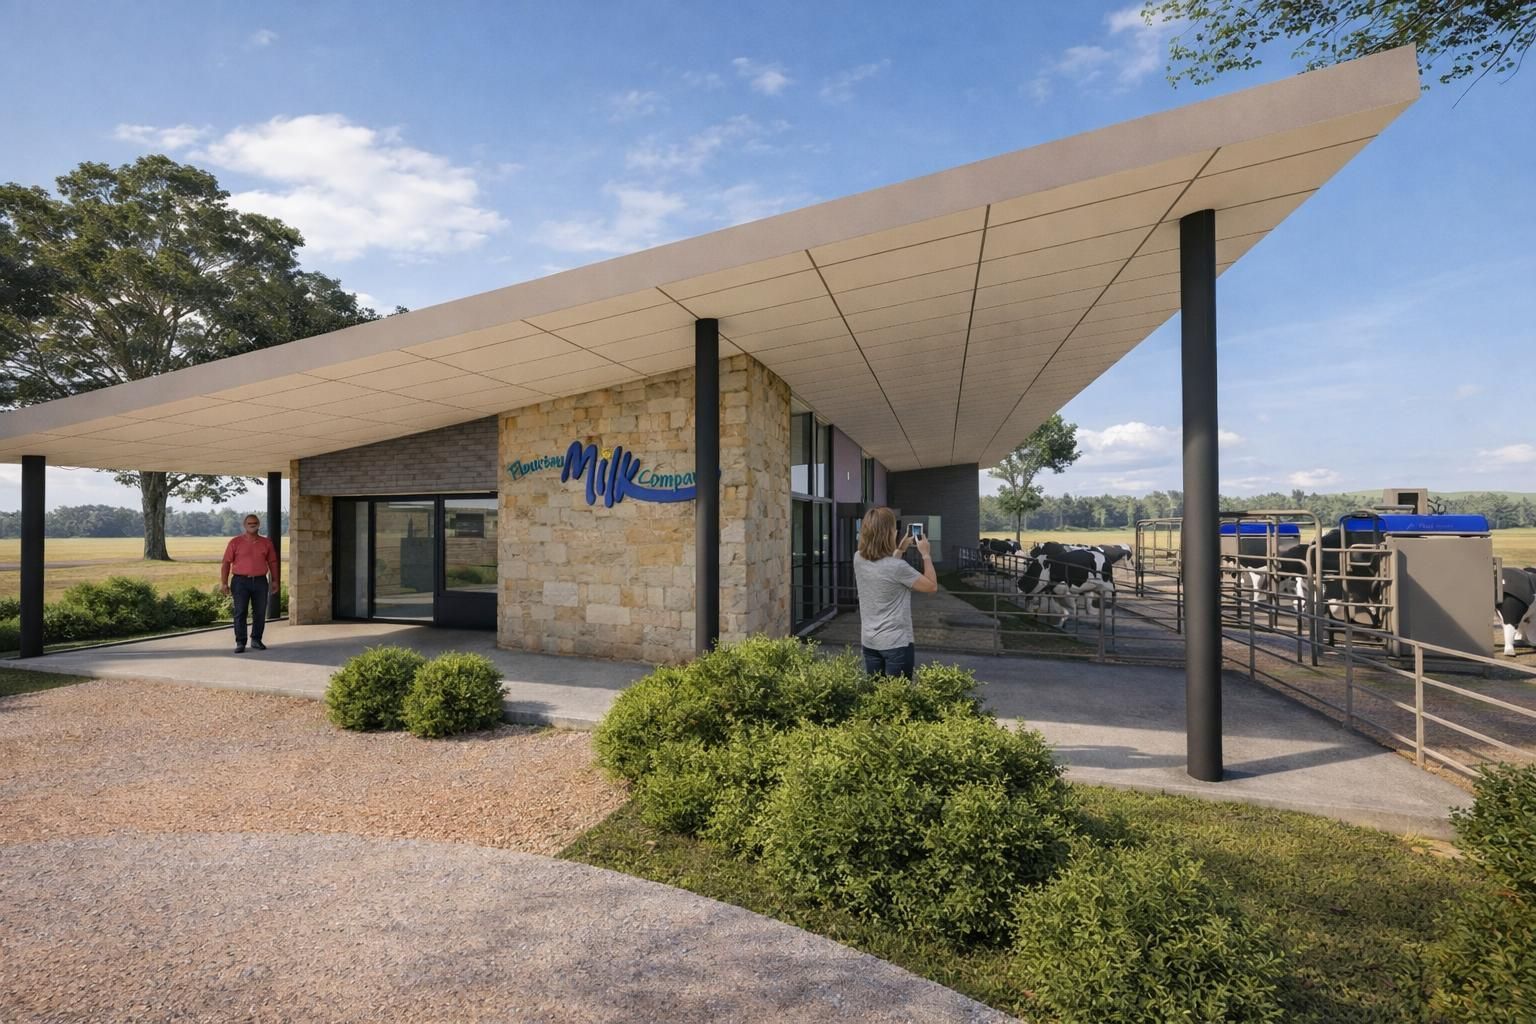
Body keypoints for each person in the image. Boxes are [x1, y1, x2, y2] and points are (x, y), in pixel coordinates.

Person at [851, 506, 937, 679]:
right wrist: (926, 554)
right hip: (896, 644)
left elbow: (884, 570)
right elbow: (931, 586)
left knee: (876, 697)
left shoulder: (858, 558)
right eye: (894, 528)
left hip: (870, 643)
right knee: (898, 700)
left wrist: (900, 550)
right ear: (889, 533)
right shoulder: (898, 568)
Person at [220, 514, 280, 654]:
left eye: (255, 522)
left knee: (259, 612)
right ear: (244, 525)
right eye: (249, 523)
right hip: (240, 582)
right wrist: (224, 582)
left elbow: (272, 562)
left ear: (259, 525)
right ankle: (240, 642)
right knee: (240, 612)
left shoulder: (266, 543)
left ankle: (256, 639)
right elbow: (226, 563)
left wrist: (275, 580)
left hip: (260, 581)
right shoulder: (235, 542)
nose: (252, 525)